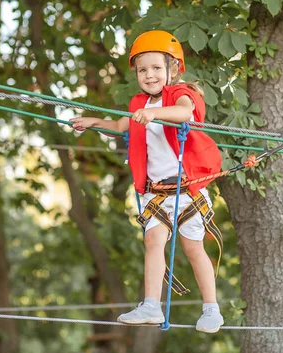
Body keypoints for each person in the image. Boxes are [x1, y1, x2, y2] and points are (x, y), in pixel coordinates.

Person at [70, 30, 224, 333]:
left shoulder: (180, 94)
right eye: (143, 69)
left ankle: (211, 310)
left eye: (156, 68)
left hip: (186, 189)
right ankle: (151, 305)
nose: (149, 75)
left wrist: (152, 114)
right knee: (153, 241)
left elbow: (183, 113)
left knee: (193, 248)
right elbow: (120, 125)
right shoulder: (139, 103)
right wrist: (93, 122)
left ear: (173, 69)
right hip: (157, 193)